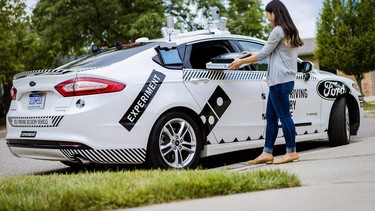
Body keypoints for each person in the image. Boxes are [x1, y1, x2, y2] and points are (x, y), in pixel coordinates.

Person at [228, 0, 304, 164]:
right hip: (285, 80)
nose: (268, 18)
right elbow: (270, 51)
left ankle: (291, 152)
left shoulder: (277, 30)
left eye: (268, 15)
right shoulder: (290, 30)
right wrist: (250, 53)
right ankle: (267, 152)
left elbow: (263, 55)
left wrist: (240, 62)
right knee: (271, 117)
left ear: (274, 13)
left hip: (279, 81)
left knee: (284, 117)